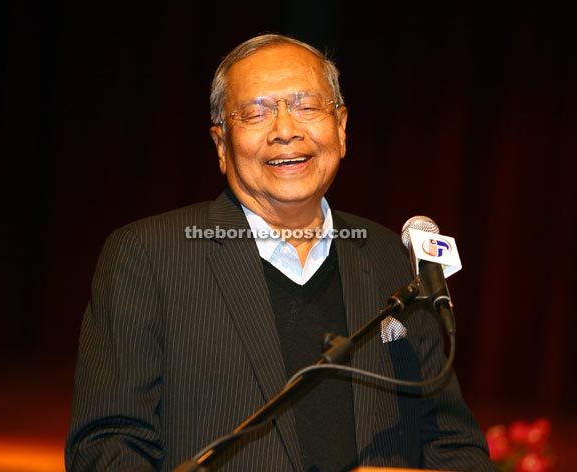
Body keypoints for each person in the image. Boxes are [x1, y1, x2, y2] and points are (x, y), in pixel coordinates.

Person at [65, 33, 497, 472]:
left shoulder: (388, 258)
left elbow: (454, 446)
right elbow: (106, 448)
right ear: (221, 145)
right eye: (256, 113)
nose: (286, 130)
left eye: (307, 106)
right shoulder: (147, 257)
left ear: (342, 128)